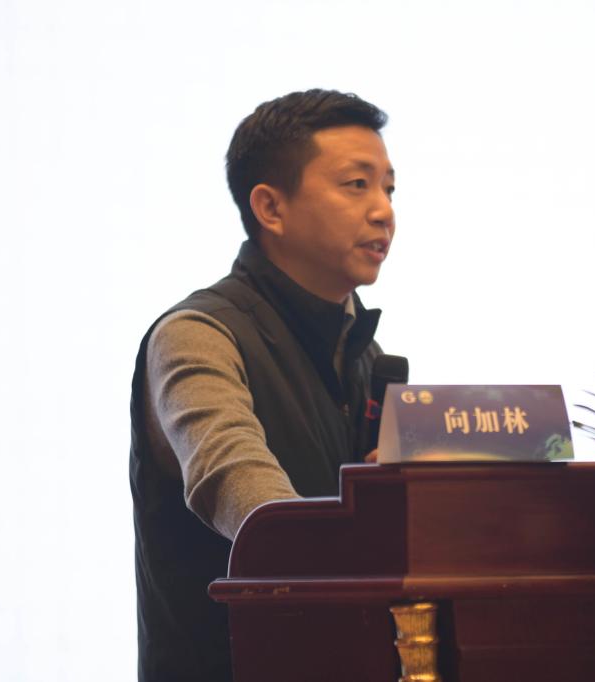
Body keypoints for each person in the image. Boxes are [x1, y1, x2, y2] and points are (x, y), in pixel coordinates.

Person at [128, 89, 396, 682]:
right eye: (357, 185)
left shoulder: (364, 355)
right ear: (271, 208)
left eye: (389, 188)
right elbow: (245, 494)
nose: (383, 211)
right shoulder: (198, 336)